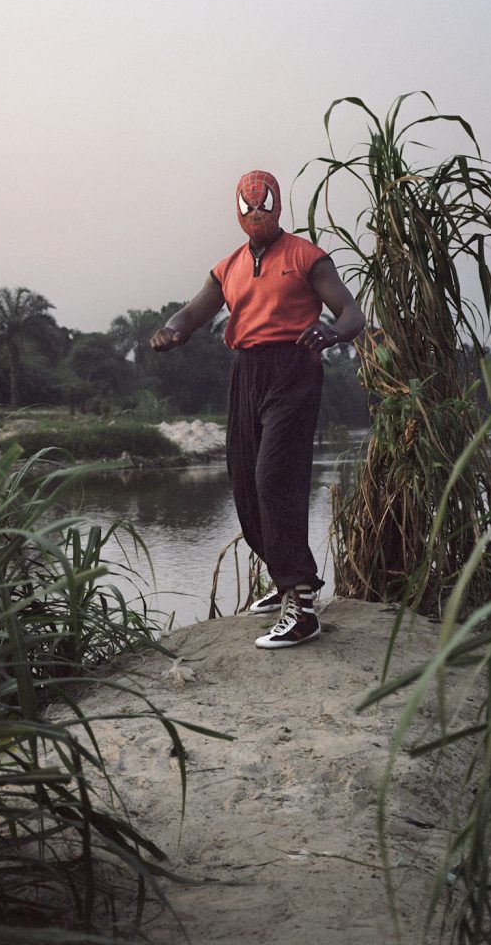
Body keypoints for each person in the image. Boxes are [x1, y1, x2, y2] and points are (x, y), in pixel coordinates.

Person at [150, 170, 365, 649]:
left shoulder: (307, 257)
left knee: (275, 477)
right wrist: (173, 329)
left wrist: (332, 333)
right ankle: (285, 577)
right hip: (246, 372)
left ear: (278, 206)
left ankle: (301, 604)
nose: (256, 215)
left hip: (294, 367)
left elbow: (352, 314)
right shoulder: (227, 267)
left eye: (263, 207)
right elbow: (193, 311)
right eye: (247, 209)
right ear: (238, 212)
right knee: (245, 479)